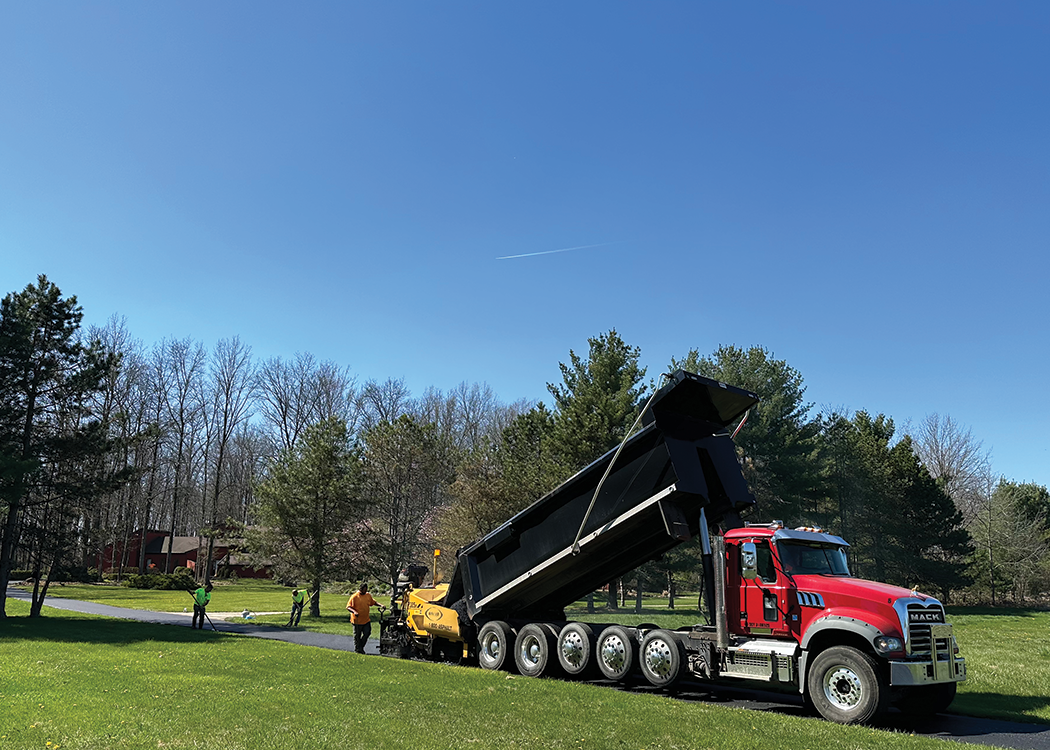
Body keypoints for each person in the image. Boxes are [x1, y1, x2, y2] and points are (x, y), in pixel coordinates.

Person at [346, 583, 380, 654]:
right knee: (357, 636)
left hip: (366, 620)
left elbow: (372, 602)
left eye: (366, 589)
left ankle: (360, 647)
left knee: (367, 632)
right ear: (361, 589)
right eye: (364, 589)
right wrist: (354, 612)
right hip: (357, 620)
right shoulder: (354, 596)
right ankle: (358, 649)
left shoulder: (367, 595)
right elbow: (348, 607)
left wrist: (381, 605)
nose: (366, 591)